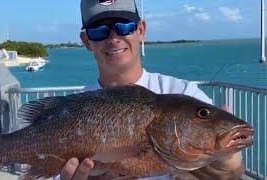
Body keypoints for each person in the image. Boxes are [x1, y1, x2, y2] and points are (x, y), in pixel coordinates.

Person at [59, 0, 245, 179]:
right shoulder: (68, 112)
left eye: (124, 26)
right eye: (99, 31)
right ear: (86, 41)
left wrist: (228, 169)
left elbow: (230, 173)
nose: (114, 38)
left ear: (141, 30)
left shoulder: (185, 94)